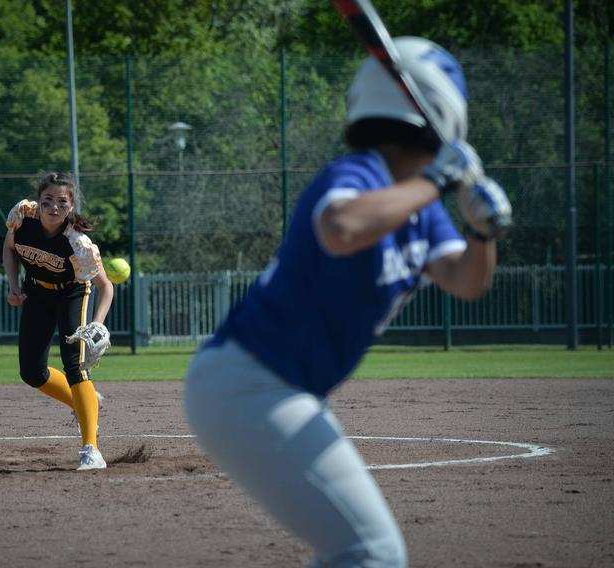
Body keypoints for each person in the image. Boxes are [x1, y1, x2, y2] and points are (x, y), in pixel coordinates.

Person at [184, 37, 513, 567]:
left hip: (283, 391)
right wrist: (438, 179)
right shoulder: (357, 175)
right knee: (370, 552)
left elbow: (467, 282)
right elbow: (341, 227)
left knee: (359, 552)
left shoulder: (419, 207)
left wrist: (482, 231)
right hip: (251, 384)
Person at [3, 171, 114, 471]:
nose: (54, 207)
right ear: (38, 201)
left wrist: (97, 324)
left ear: (71, 206)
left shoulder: (78, 243)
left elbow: (107, 287)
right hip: (36, 292)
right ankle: (85, 402)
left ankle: (91, 450)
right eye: (48, 200)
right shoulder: (22, 217)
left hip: (71, 294)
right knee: (31, 372)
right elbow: (9, 248)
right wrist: (13, 284)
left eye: (62, 202)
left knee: (74, 366)